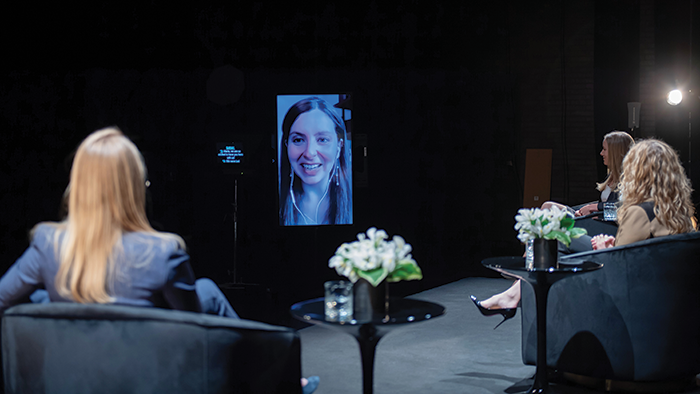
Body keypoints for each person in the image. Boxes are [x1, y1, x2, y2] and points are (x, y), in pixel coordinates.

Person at [0, 127, 319, 394]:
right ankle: (281, 382)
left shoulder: (47, 242)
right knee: (207, 292)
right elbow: (197, 330)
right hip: (150, 375)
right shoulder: (164, 250)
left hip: (71, 375)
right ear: (134, 188)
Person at [472, 138, 696, 326]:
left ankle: (514, 293)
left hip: (623, 285)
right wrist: (611, 244)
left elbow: (619, 262)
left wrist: (604, 248)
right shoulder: (680, 213)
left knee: (555, 235)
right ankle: (513, 294)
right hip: (657, 288)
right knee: (555, 234)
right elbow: (643, 250)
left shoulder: (640, 212)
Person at [590, 139, 696, 250]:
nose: (601, 153)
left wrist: (598, 208)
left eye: (605, 149)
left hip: (611, 228)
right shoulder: (677, 207)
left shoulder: (640, 210)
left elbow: (619, 208)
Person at [280, 97, 352, 225]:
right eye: (298, 140)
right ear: (286, 145)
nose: (309, 153)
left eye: (322, 139)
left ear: (339, 145)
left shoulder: (358, 205)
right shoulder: (274, 205)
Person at [543, 130, 635, 216]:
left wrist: (595, 209)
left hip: (605, 226)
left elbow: (623, 211)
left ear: (614, 153)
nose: (601, 153)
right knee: (548, 206)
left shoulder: (629, 180)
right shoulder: (612, 177)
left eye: (604, 149)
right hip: (594, 219)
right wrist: (586, 210)